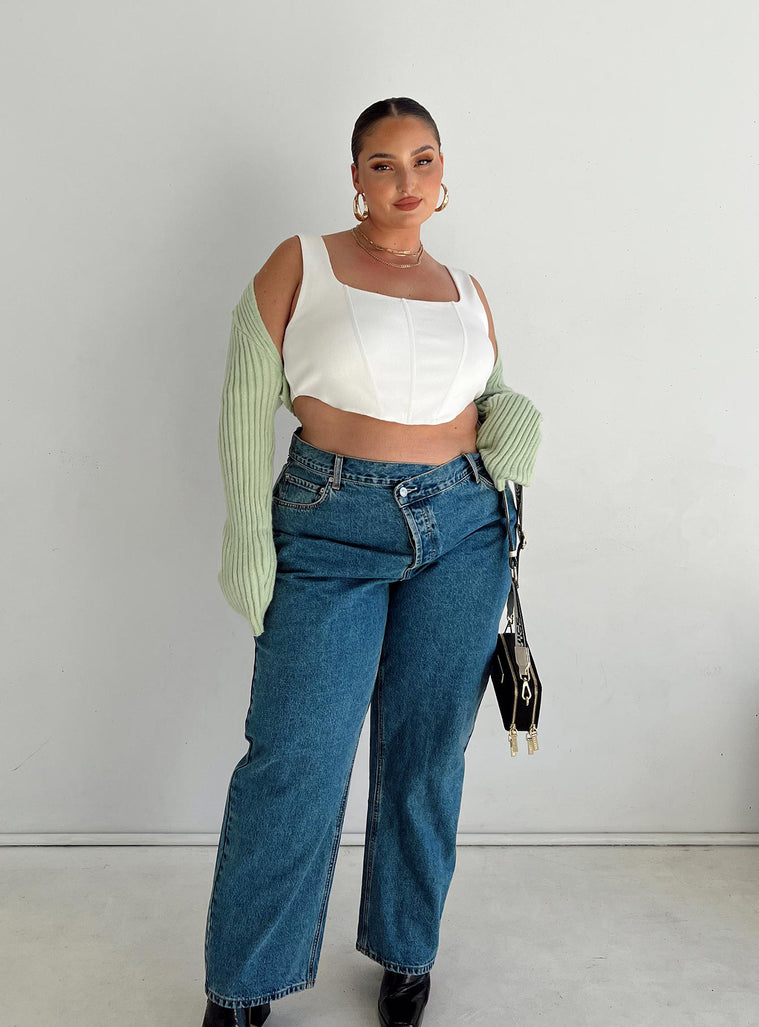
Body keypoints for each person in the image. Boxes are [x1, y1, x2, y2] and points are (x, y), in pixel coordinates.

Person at [202, 97, 544, 1027]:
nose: (405, 181)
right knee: (295, 756)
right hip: (328, 520)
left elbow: (486, 392)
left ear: (443, 175)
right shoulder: (299, 262)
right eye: (383, 163)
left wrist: (516, 414)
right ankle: (243, 983)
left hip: (465, 527)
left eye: (422, 160)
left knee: (426, 757)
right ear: (354, 177)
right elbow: (245, 402)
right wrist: (247, 534)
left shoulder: (466, 289)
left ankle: (406, 952)